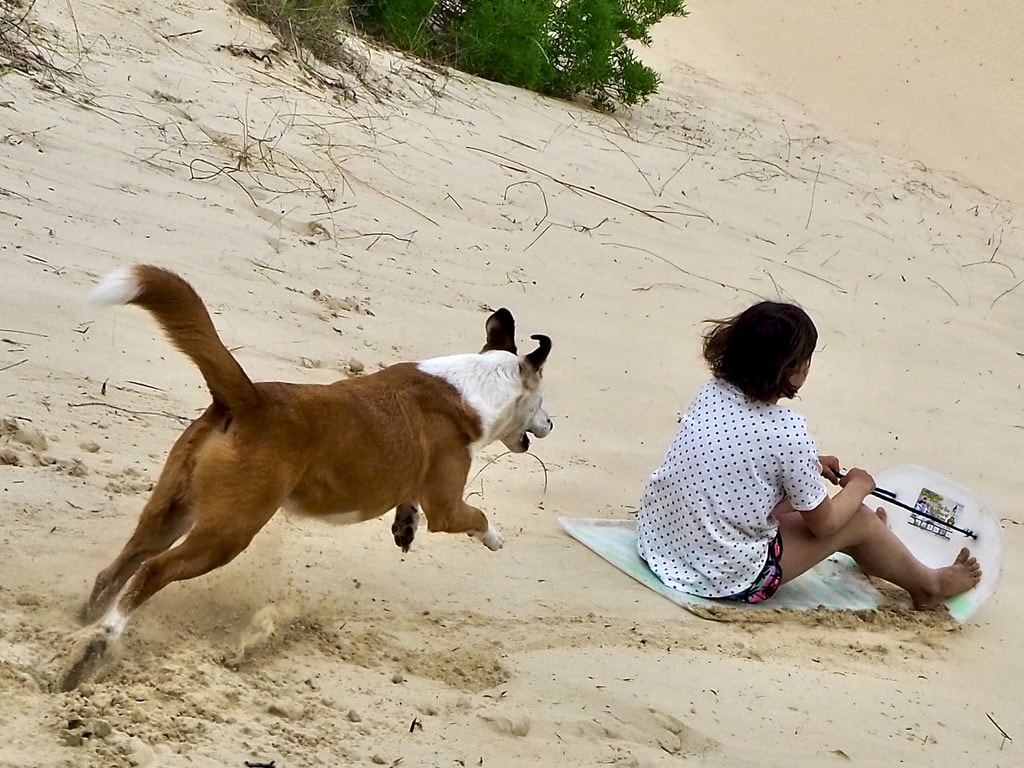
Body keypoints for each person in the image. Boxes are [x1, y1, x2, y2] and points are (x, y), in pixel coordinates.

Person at [635, 300, 981, 608]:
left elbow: (744, 460)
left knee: (796, 499)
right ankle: (929, 586)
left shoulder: (712, 392)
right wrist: (858, 486)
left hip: (661, 542)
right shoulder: (786, 430)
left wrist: (810, 466)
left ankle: (873, 549)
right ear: (791, 370)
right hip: (722, 574)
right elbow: (825, 524)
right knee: (852, 517)